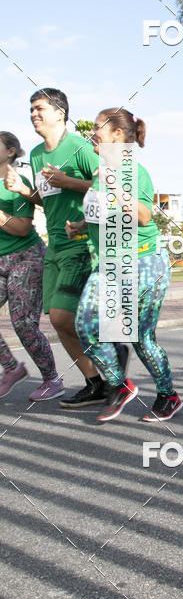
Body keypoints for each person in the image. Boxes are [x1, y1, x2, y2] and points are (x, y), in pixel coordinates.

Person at [66, 108, 182, 422]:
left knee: (143, 338)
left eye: (98, 126)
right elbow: (105, 211)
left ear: (117, 135)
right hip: (111, 263)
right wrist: (80, 224)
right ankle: (121, 384)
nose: (92, 131)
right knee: (87, 327)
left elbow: (144, 215)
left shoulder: (132, 169)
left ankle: (167, 395)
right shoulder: (99, 170)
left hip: (144, 260)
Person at [5, 88, 104, 403]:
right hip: (55, 245)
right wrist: (23, 191)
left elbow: (112, 186)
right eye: (31, 109)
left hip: (83, 242)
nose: (33, 114)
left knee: (66, 318)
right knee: (60, 321)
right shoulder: (36, 154)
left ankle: (115, 375)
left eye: (39, 108)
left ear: (60, 113)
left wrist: (69, 182)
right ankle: (94, 383)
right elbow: (45, 202)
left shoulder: (80, 148)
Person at [0, 132, 63, 400]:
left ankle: (52, 379)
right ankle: (12, 369)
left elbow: (22, 228)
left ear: (11, 151)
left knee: (24, 324)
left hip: (25, 256)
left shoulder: (17, 181)